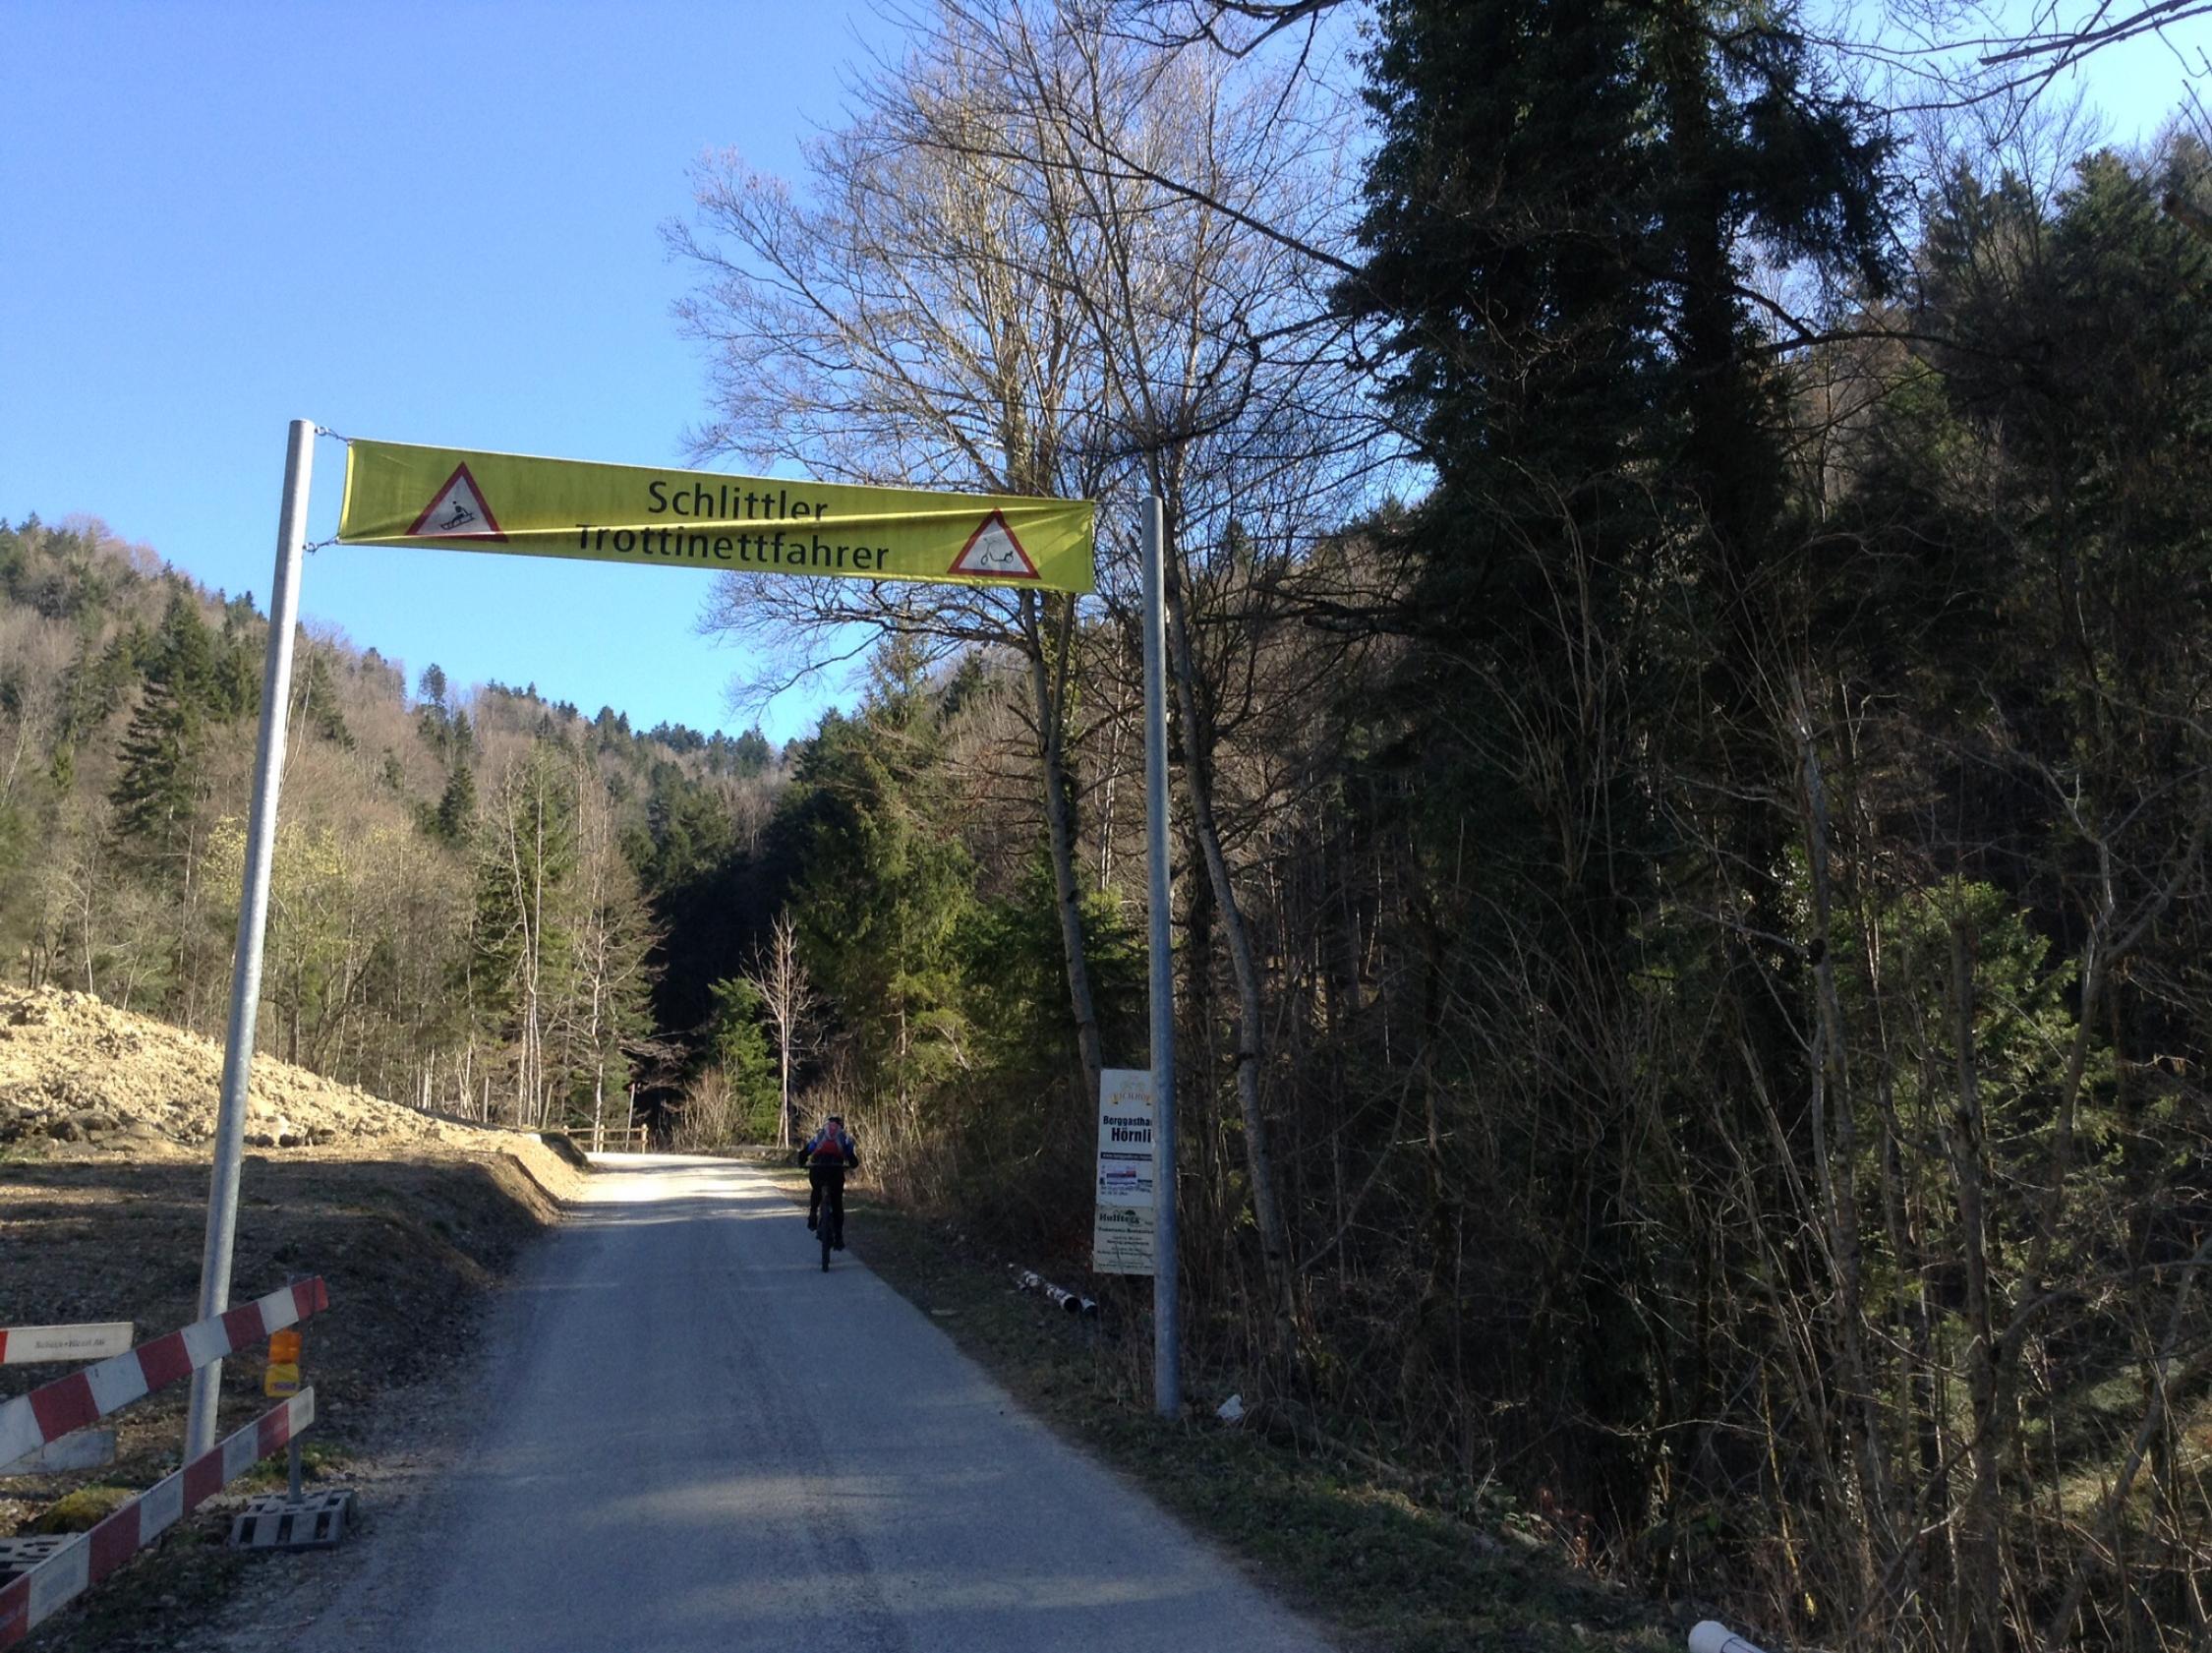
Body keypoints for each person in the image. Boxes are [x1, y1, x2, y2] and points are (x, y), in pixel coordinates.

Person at [794, 1114, 858, 1248]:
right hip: (835, 1170)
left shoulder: (820, 1134)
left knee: (816, 1190)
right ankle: (839, 1238)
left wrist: (801, 1162)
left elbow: (807, 1150)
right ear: (841, 1125)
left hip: (818, 1168)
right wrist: (852, 1164)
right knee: (837, 1202)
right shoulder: (844, 1136)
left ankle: (813, 1215)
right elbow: (852, 1158)